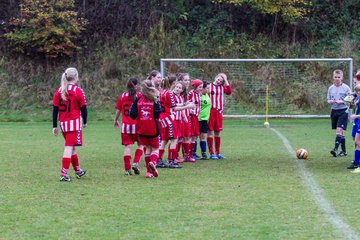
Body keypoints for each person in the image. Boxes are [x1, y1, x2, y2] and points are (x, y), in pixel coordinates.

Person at [52, 67, 87, 182]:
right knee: (68, 147)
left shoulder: (59, 90)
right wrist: (85, 121)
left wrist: (54, 126)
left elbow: (55, 110)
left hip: (63, 124)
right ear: (76, 77)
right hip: (74, 124)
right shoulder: (78, 91)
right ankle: (63, 174)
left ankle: (78, 170)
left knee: (71, 148)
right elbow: (84, 109)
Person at [129, 80, 162, 178]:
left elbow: (132, 114)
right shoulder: (154, 100)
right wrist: (157, 96)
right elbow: (157, 114)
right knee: (156, 149)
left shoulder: (138, 100)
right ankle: (153, 162)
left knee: (147, 148)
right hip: (153, 129)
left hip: (141, 129)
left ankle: (148, 172)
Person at [114, 77, 144, 176]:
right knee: (141, 145)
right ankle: (135, 163)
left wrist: (115, 120)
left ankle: (127, 170)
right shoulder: (139, 96)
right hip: (138, 125)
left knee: (127, 147)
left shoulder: (122, 96)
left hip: (125, 126)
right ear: (136, 86)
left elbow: (118, 109)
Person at [207, 73, 232, 159]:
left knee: (217, 132)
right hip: (211, 111)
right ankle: (211, 153)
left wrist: (226, 80)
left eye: (221, 81)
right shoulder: (209, 86)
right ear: (215, 77)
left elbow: (229, 92)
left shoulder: (222, 87)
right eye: (218, 79)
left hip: (219, 112)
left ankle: (218, 153)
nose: (218, 81)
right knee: (210, 131)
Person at [327, 69, 351, 157]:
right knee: (341, 132)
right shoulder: (331, 88)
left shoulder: (346, 87)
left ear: (342, 78)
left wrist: (342, 101)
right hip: (334, 111)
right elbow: (328, 99)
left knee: (339, 130)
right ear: (333, 77)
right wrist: (331, 101)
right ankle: (344, 151)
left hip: (343, 111)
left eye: (339, 77)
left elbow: (351, 98)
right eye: (335, 77)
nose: (337, 78)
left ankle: (335, 149)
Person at [347, 71, 360, 169]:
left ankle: (357, 162)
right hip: (357, 120)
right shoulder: (357, 94)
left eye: (355, 82)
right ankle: (356, 161)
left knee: (358, 140)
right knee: (355, 139)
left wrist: (356, 116)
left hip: (358, 119)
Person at [188, 79, 203, 159]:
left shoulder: (199, 94)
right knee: (191, 135)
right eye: (199, 87)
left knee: (195, 136)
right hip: (191, 116)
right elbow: (187, 104)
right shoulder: (191, 94)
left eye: (201, 86)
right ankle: (188, 154)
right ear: (195, 87)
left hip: (196, 117)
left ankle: (192, 153)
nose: (201, 88)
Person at [198, 80, 211, 160]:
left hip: (205, 119)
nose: (209, 90)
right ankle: (192, 153)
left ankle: (204, 153)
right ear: (203, 88)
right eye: (208, 88)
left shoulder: (207, 95)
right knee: (195, 137)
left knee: (203, 136)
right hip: (199, 119)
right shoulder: (199, 96)